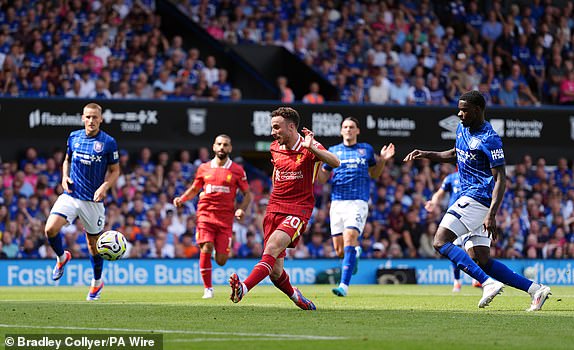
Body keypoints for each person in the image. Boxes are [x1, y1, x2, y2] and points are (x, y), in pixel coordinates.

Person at [404, 90, 551, 311]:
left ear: (477, 110)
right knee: (482, 259)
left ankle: (488, 283)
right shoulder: (462, 128)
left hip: (478, 198)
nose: (460, 113)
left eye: (464, 110)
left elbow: (501, 178)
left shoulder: (490, 138)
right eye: (459, 109)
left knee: (440, 241)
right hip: (472, 200)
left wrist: (492, 213)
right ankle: (535, 290)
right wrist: (425, 154)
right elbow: (456, 153)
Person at [228, 107, 340, 310]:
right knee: (275, 271)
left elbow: (335, 162)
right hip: (274, 208)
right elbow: (276, 173)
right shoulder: (274, 147)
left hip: (298, 209)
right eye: (272, 127)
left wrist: (313, 149)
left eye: (276, 127)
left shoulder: (309, 145)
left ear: (291, 127)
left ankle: (243, 288)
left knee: (270, 250)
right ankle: (297, 298)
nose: (273, 131)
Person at [45, 102, 120, 301]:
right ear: (82, 118)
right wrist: (64, 177)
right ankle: (62, 257)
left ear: (101, 119)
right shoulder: (74, 137)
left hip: (92, 201)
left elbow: (115, 170)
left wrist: (105, 186)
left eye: (95, 117)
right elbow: (66, 159)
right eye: (88, 117)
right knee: (50, 229)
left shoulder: (108, 142)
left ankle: (96, 283)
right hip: (71, 194)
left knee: (93, 245)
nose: (91, 120)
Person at [318, 117, 395, 297]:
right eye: (345, 127)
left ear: (357, 131)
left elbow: (375, 174)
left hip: (358, 201)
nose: (348, 130)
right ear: (341, 131)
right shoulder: (333, 151)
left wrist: (382, 160)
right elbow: (322, 179)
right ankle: (356, 252)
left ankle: (344, 286)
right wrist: (316, 163)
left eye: (352, 127)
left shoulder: (366, 150)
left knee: (351, 236)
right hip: (337, 202)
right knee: (339, 251)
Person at [173, 135, 252, 299]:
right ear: (213, 147)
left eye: (225, 145)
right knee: (206, 247)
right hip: (205, 214)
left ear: (230, 148)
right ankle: (208, 288)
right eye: (219, 144)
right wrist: (182, 199)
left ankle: (219, 250)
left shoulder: (237, 170)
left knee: (222, 260)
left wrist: (241, 210)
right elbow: (195, 188)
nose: (222, 147)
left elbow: (247, 194)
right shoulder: (204, 168)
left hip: (225, 218)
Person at [425, 168, 468, 292]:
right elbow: (440, 193)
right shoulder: (451, 178)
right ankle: (457, 281)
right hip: (455, 217)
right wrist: (433, 202)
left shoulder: (474, 175)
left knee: (471, 248)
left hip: (472, 215)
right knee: (455, 248)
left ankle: (476, 279)